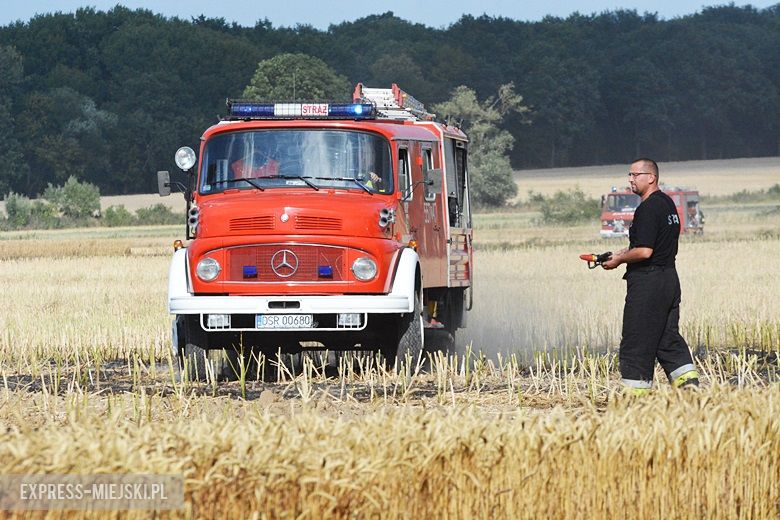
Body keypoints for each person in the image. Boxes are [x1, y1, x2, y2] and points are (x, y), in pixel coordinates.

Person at [601, 158, 699, 394]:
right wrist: (623, 252)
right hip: (669, 280)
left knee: (636, 341)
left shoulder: (647, 208)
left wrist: (618, 260)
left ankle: (636, 400)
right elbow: (653, 244)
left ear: (651, 177)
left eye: (635, 175)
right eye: (630, 175)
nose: (630, 180)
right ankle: (691, 391)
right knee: (667, 339)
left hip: (648, 283)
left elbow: (645, 251)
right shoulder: (666, 204)